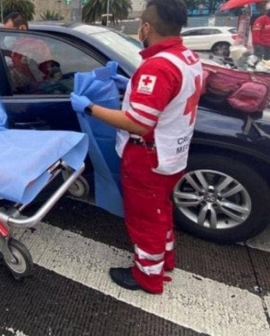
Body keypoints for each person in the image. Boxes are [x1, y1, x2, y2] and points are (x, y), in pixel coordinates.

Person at [70, 0, 203, 294]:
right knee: (160, 210)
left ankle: (147, 276)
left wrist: (89, 108)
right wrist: (130, 83)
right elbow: (167, 99)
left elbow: (138, 123)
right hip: (172, 153)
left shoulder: (157, 67)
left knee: (144, 219)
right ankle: (165, 258)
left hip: (148, 157)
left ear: (146, 27)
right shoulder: (187, 58)